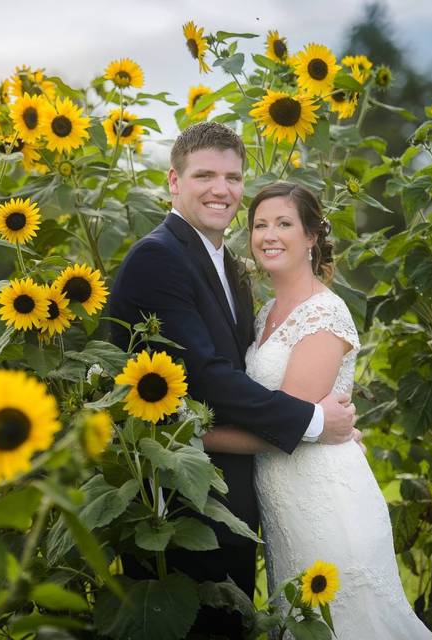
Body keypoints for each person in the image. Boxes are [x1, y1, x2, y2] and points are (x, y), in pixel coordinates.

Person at [108, 122, 358, 638]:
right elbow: (208, 376)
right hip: (179, 511)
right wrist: (313, 421)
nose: (221, 189)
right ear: (174, 182)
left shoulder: (227, 267)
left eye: (232, 177)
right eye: (204, 175)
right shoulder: (160, 257)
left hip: (236, 505)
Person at [203, 182, 432, 638]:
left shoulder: (324, 314)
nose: (269, 235)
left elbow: (280, 425)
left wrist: (191, 438)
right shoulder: (266, 310)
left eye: (284, 224)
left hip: (325, 500)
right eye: (260, 225)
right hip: (284, 503)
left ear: (311, 236)